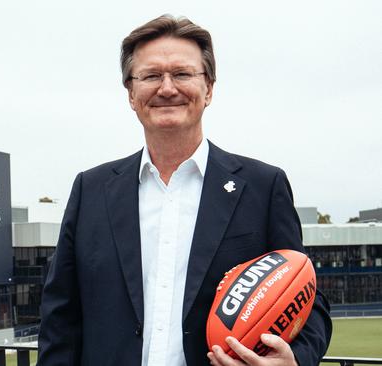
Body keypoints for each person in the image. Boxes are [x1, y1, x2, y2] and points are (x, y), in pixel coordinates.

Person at [37, 14, 332, 366]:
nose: (166, 88)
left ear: (209, 88)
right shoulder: (91, 190)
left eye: (181, 74)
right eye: (150, 76)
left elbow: (308, 301)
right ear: (131, 94)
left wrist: (295, 359)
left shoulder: (263, 187)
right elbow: (60, 318)